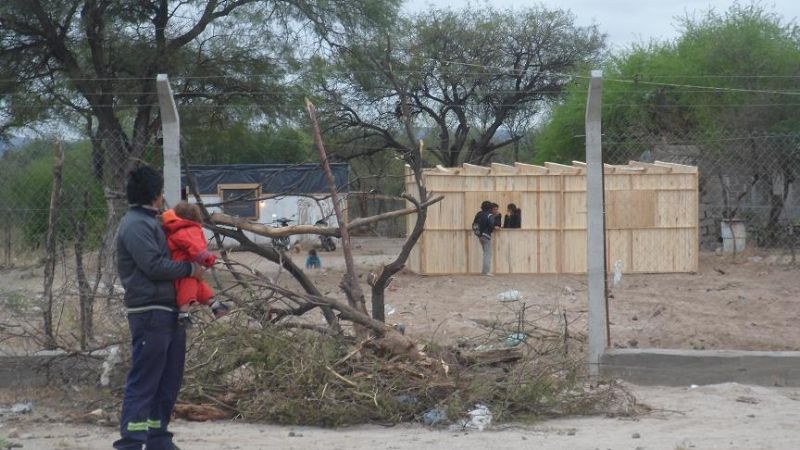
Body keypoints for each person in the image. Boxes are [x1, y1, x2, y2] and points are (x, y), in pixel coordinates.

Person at [113, 165, 204, 450]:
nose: (163, 197)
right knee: (146, 379)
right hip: (150, 312)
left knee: (168, 378)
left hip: (168, 311)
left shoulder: (153, 223)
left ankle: (158, 438)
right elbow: (153, 266)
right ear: (155, 195)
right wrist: (190, 269)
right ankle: (130, 442)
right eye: (162, 191)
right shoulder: (136, 225)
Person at [161, 201, 229, 326]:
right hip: (185, 266)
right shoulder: (189, 230)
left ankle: (215, 305)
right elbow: (196, 247)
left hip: (178, 265)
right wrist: (207, 259)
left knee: (198, 285)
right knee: (189, 287)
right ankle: (183, 314)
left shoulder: (174, 230)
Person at [475, 200, 500, 276]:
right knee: (487, 254)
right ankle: (486, 272)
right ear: (490, 208)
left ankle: (484, 271)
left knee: (485, 253)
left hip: (480, 236)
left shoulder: (479, 214)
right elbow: (491, 225)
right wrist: (495, 227)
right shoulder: (489, 215)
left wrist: (478, 234)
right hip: (486, 235)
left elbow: (474, 224)